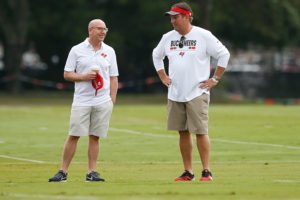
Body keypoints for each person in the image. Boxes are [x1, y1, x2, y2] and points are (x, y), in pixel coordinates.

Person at [152, 2, 230, 182]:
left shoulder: (203, 35)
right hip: (175, 93)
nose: (172, 21)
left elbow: (224, 54)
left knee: (201, 131)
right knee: (182, 132)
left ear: (187, 16)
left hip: (197, 91)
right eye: (171, 17)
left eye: (176, 17)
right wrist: (163, 76)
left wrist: (215, 79)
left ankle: (206, 171)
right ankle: (188, 171)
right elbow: (156, 55)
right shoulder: (167, 37)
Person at [49, 19, 119, 182]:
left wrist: (112, 100)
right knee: (74, 135)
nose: (103, 32)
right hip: (82, 100)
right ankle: (63, 171)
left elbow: (114, 77)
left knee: (95, 136)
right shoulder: (77, 50)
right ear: (90, 30)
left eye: (105, 29)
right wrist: (83, 77)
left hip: (102, 101)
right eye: (99, 29)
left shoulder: (110, 51)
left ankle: (92, 172)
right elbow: (67, 74)